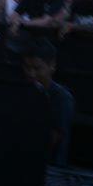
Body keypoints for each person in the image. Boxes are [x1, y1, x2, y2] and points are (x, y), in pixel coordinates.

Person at [20, 37, 74, 165]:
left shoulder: (61, 97)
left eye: (37, 68)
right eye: (27, 67)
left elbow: (52, 138)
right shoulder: (22, 90)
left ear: (52, 66)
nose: (31, 74)